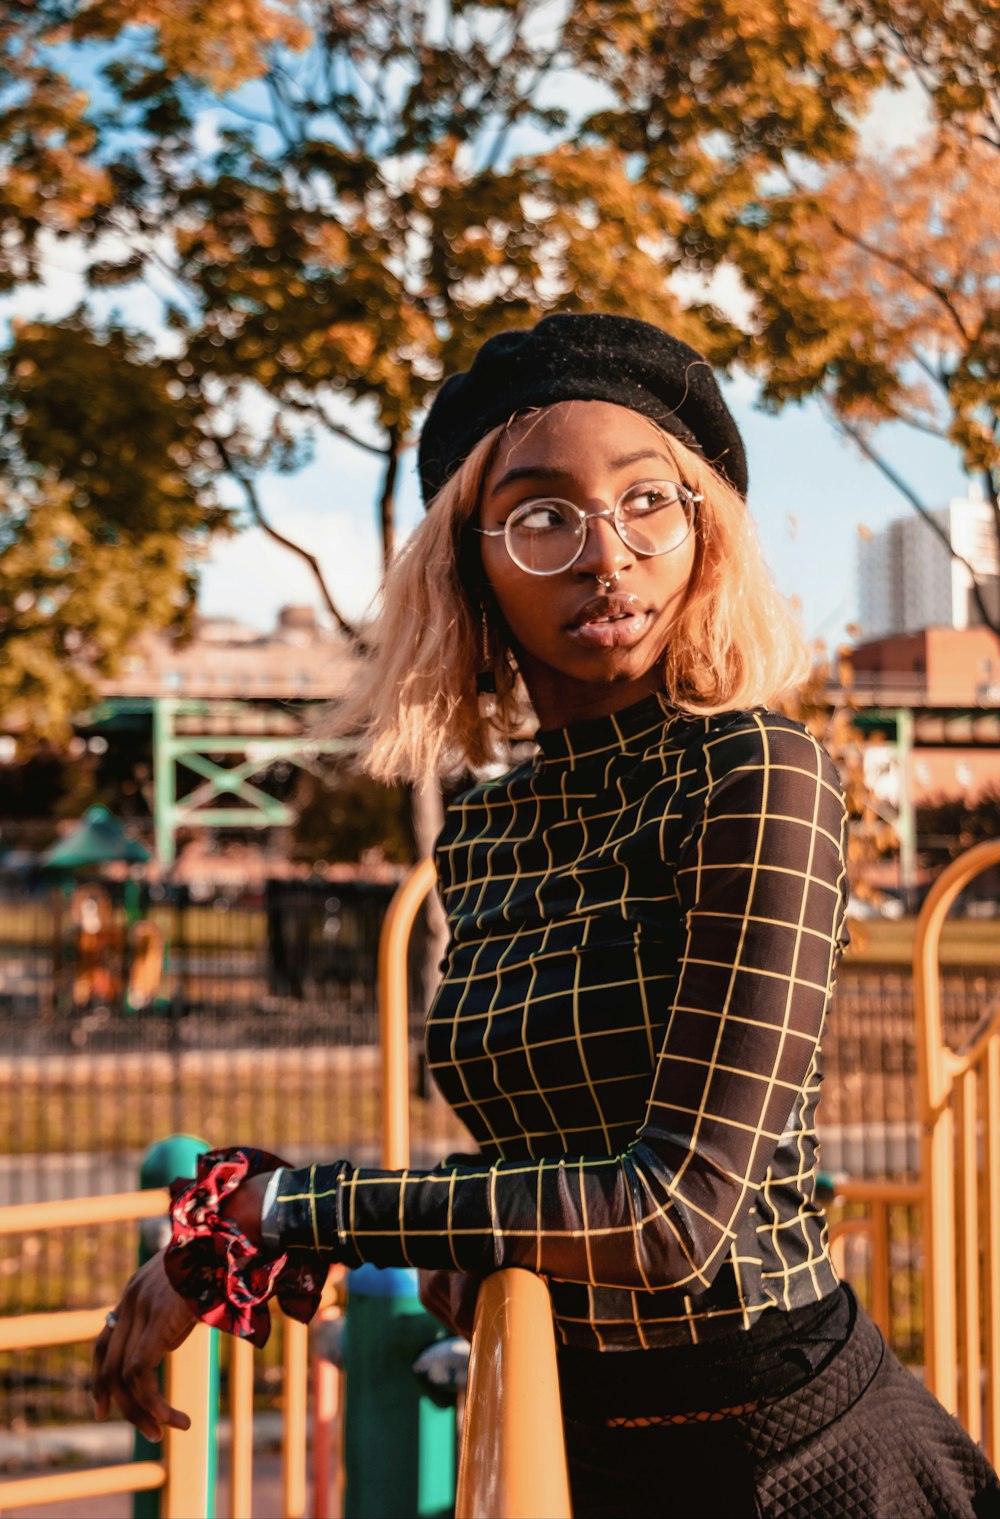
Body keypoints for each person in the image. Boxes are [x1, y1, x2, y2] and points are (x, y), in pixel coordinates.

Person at [93, 314, 1000, 1518]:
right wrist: (452, 1246)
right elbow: (544, 1150)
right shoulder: (483, 828)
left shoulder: (758, 773)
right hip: (570, 1440)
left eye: (646, 503)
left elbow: (671, 1212)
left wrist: (286, 1209)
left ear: (703, 536)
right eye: (541, 516)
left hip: (791, 1456)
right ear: (468, 564)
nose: (604, 553)